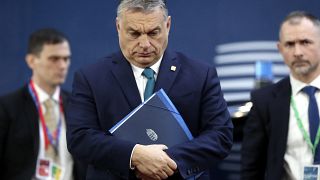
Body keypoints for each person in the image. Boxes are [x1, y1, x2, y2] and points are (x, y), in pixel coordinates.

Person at [66, 0, 233, 179]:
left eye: (153, 33)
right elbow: (80, 137)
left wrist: (165, 160)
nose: (144, 44)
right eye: (134, 33)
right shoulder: (91, 77)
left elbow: (220, 136)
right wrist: (135, 155)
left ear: (167, 25)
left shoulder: (200, 75)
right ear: (118, 27)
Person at [241, 11, 320, 180]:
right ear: (280, 48)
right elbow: (251, 168)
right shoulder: (264, 101)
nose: (298, 52)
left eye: (305, 42)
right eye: (290, 44)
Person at [0, 28, 86, 180]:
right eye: (54, 59)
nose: (62, 66)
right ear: (31, 61)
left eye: (66, 59)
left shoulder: (78, 105)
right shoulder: (7, 107)